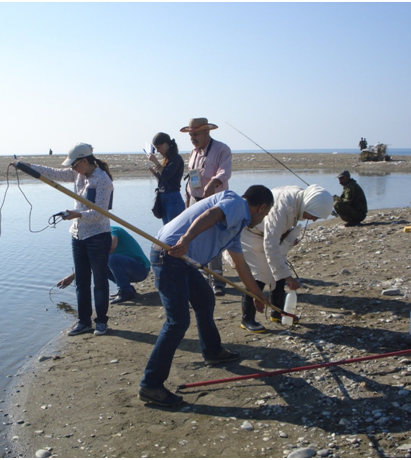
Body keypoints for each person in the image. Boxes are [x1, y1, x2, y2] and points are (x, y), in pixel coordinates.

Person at [138, 185, 274, 406]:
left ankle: (212, 351)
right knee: (177, 322)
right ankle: (150, 385)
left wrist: (257, 294)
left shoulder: (235, 226)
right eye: (265, 214)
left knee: (205, 300)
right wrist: (187, 238)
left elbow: (241, 266)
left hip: (184, 260)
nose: (263, 219)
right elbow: (211, 214)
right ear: (262, 207)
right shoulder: (237, 204)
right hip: (171, 254)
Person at [12, 143, 114, 336]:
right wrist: (24, 166)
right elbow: (53, 173)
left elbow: (100, 213)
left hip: (98, 236)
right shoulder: (77, 174)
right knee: (81, 281)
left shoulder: (103, 180)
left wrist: (77, 214)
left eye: (75, 165)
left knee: (100, 281)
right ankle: (84, 322)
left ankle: (101, 321)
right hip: (78, 235)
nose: (72, 169)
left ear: (85, 160)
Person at [238, 185, 334, 332]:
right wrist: (289, 279)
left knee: (279, 267)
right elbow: (270, 245)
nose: (314, 220)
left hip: (264, 233)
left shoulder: (299, 199)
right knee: (261, 272)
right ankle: (247, 319)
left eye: (317, 217)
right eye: (314, 215)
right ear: (309, 205)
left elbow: (275, 244)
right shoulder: (282, 208)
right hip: (249, 232)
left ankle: (277, 312)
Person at [182, 117, 232, 296]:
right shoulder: (193, 152)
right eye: (190, 134)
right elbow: (191, 178)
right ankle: (203, 278)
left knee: (213, 239)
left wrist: (213, 183)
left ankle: (218, 282)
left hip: (215, 201)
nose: (192, 137)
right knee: (196, 238)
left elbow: (225, 171)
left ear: (206, 132)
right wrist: (187, 202)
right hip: (196, 201)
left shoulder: (222, 149)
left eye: (195, 134)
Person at [57, 226, 150, 304]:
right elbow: (92, 262)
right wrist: (72, 277)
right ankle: (127, 289)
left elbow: (112, 247)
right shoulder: (96, 239)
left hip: (141, 269)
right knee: (100, 263)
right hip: (130, 270)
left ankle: (125, 291)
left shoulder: (112, 230)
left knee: (111, 258)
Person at [147, 132, 185, 224]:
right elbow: (164, 179)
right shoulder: (166, 158)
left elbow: (167, 175)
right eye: (155, 148)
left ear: (166, 144)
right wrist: (155, 174)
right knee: (167, 231)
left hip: (173, 198)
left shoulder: (176, 158)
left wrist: (156, 162)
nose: (157, 151)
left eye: (159, 147)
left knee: (174, 231)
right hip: (164, 197)